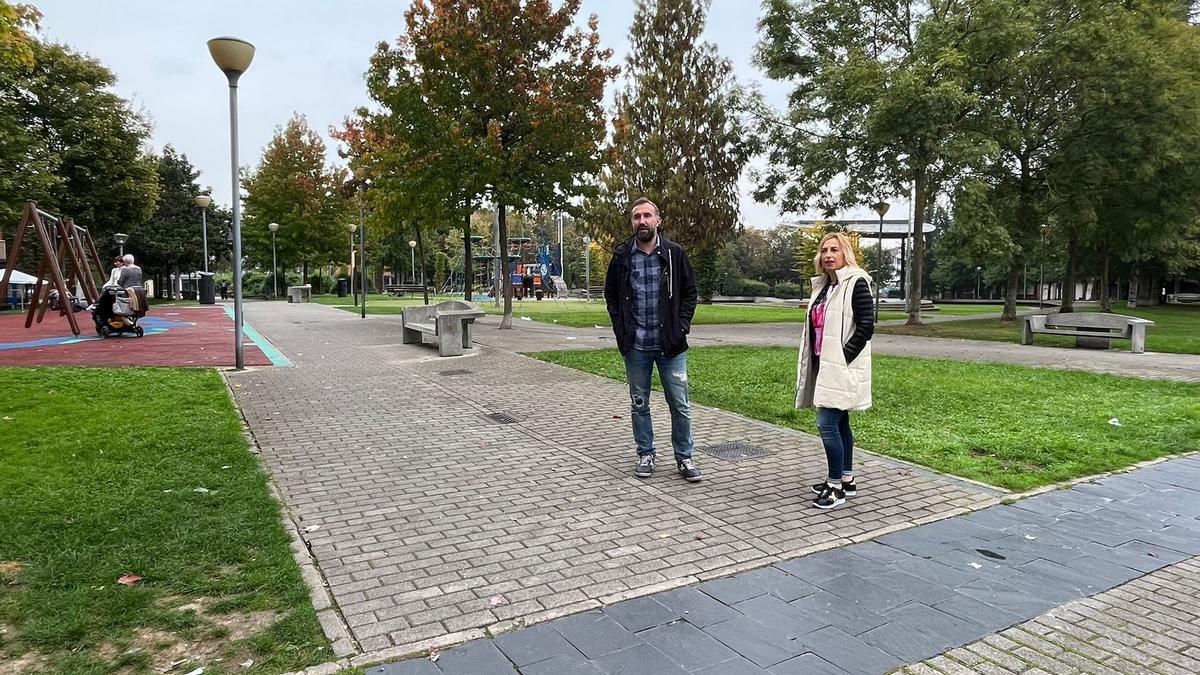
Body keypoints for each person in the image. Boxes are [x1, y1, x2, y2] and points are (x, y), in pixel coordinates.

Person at [605, 198, 702, 482]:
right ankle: (646, 453)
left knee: (680, 404)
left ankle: (684, 457)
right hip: (636, 345)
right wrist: (620, 327)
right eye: (637, 217)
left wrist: (681, 326)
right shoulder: (622, 255)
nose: (642, 221)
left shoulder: (674, 253)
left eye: (647, 216)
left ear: (658, 220)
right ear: (632, 222)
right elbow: (611, 295)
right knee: (639, 403)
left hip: (670, 345)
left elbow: (689, 292)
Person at [795, 232, 875, 509]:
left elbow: (867, 326)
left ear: (846, 254)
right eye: (824, 250)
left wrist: (843, 357)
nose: (828, 255)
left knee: (826, 424)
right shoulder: (824, 286)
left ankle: (835, 487)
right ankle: (847, 479)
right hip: (824, 364)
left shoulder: (856, 282)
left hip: (840, 366)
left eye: (835, 250)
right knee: (840, 423)